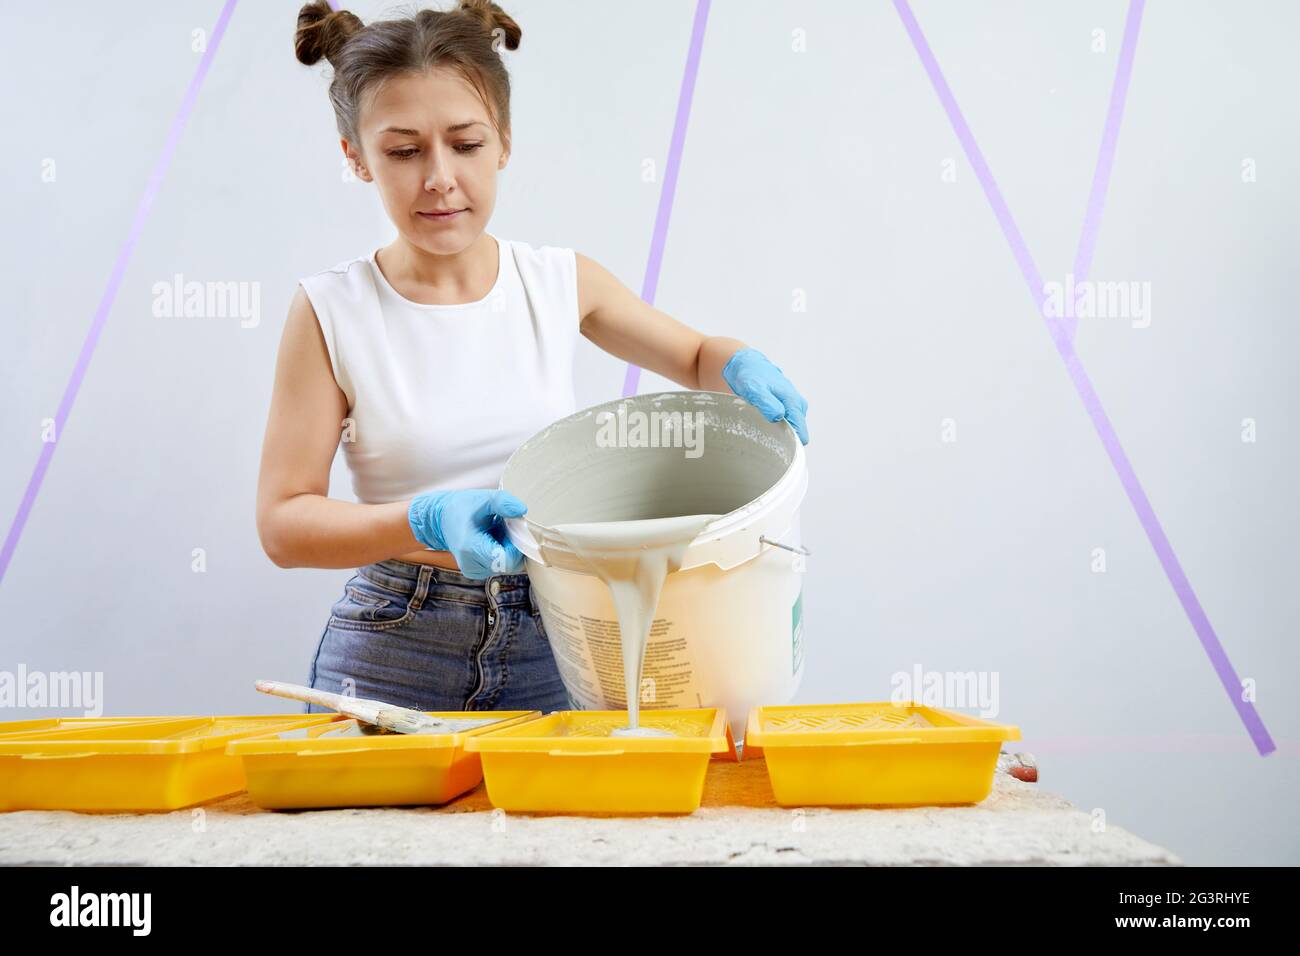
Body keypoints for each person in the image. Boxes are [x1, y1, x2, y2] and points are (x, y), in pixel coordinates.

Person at [256, 0, 811, 714]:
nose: (439, 177)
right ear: (356, 157)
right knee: (372, 832)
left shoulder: (556, 282)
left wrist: (737, 362)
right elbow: (283, 522)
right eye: (403, 150)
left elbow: (696, 354)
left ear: (504, 142)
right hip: (396, 647)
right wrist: (423, 519)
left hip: (562, 633)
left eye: (465, 143)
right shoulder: (331, 311)